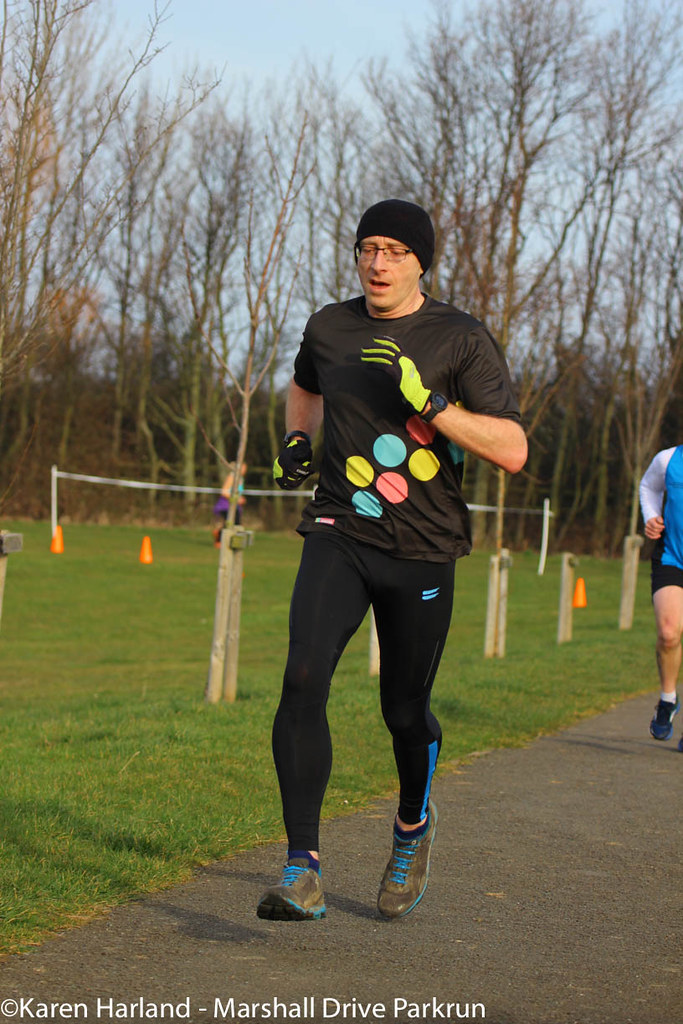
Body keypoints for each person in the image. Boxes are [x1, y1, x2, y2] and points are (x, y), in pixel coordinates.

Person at [259, 199, 527, 923]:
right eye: (366, 248)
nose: (376, 263)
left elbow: (510, 449)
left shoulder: (459, 337)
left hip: (423, 548)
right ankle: (302, 869)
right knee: (303, 675)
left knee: (402, 710)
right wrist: (295, 437)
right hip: (339, 530)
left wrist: (428, 403)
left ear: (420, 262)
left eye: (393, 251)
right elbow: (305, 384)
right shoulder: (329, 326)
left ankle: (411, 827)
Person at [639, 445, 683, 748]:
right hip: (672, 557)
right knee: (668, 634)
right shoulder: (669, 459)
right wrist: (652, 516)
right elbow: (648, 486)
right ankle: (668, 700)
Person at [212, 463, 246, 546]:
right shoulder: (232, 477)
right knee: (231, 523)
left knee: (234, 523)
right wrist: (237, 499)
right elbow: (224, 491)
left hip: (235, 506)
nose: (245, 470)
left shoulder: (240, 479)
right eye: (243, 468)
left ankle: (227, 540)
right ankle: (220, 538)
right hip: (226, 505)